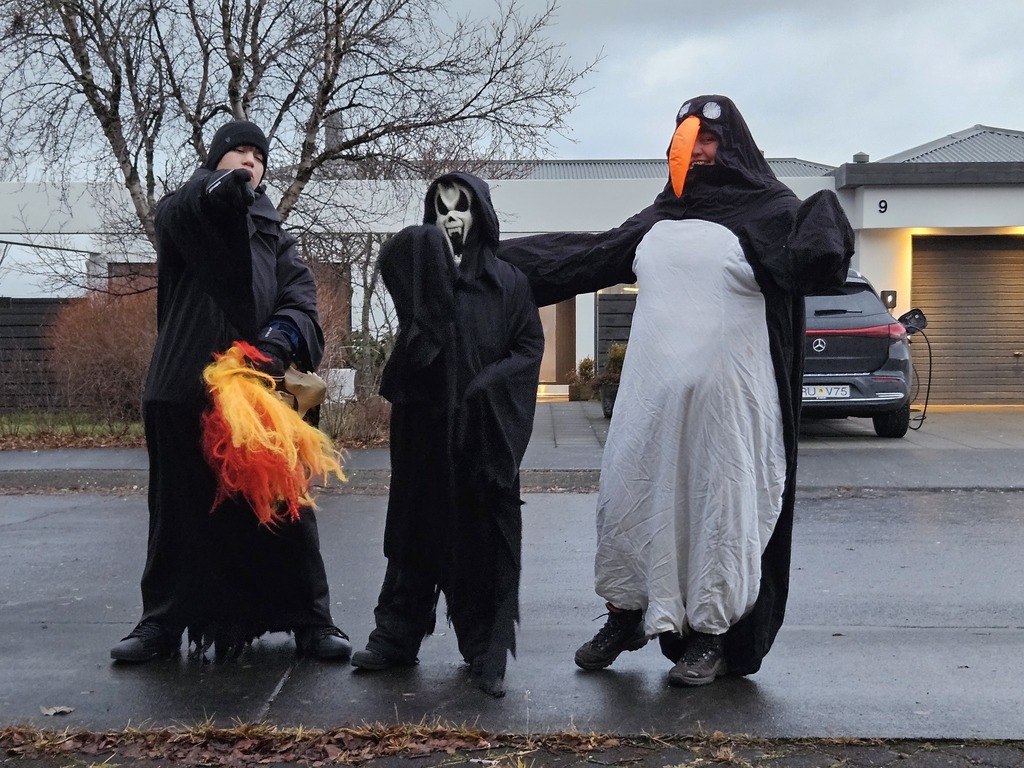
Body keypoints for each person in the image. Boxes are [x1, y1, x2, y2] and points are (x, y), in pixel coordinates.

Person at [498, 95, 855, 686]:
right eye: (688, 140)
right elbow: (584, 256)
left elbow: (814, 263)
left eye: (709, 140)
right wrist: (486, 262)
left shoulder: (769, 212)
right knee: (626, 502)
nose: (696, 151)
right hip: (647, 402)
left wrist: (823, 224)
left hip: (728, 410)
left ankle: (711, 636)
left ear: (733, 145)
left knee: (721, 512)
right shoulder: (661, 217)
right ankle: (627, 613)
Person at [110, 119, 351, 663]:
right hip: (181, 388)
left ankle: (311, 620)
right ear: (216, 160)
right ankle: (162, 622)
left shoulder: (275, 236)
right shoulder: (187, 211)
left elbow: (300, 299)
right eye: (237, 151)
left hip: (257, 394)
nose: (249, 161)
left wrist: (279, 338)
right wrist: (213, 192)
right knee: (178, 512)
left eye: (258, 156)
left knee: (283, 503)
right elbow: (176, 213)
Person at [351, 172, 544, 697]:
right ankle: (397, 632)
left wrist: (486, 389)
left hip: (481, 435)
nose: (450, 217)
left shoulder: (507, 283)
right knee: (414, 531)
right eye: (440, 208)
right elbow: (413, 335)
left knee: (477, 537)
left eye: (461, 207)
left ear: (480, 213)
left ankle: (482, 643)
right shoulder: (424, 275)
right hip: (424, 431)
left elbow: (527, 348)